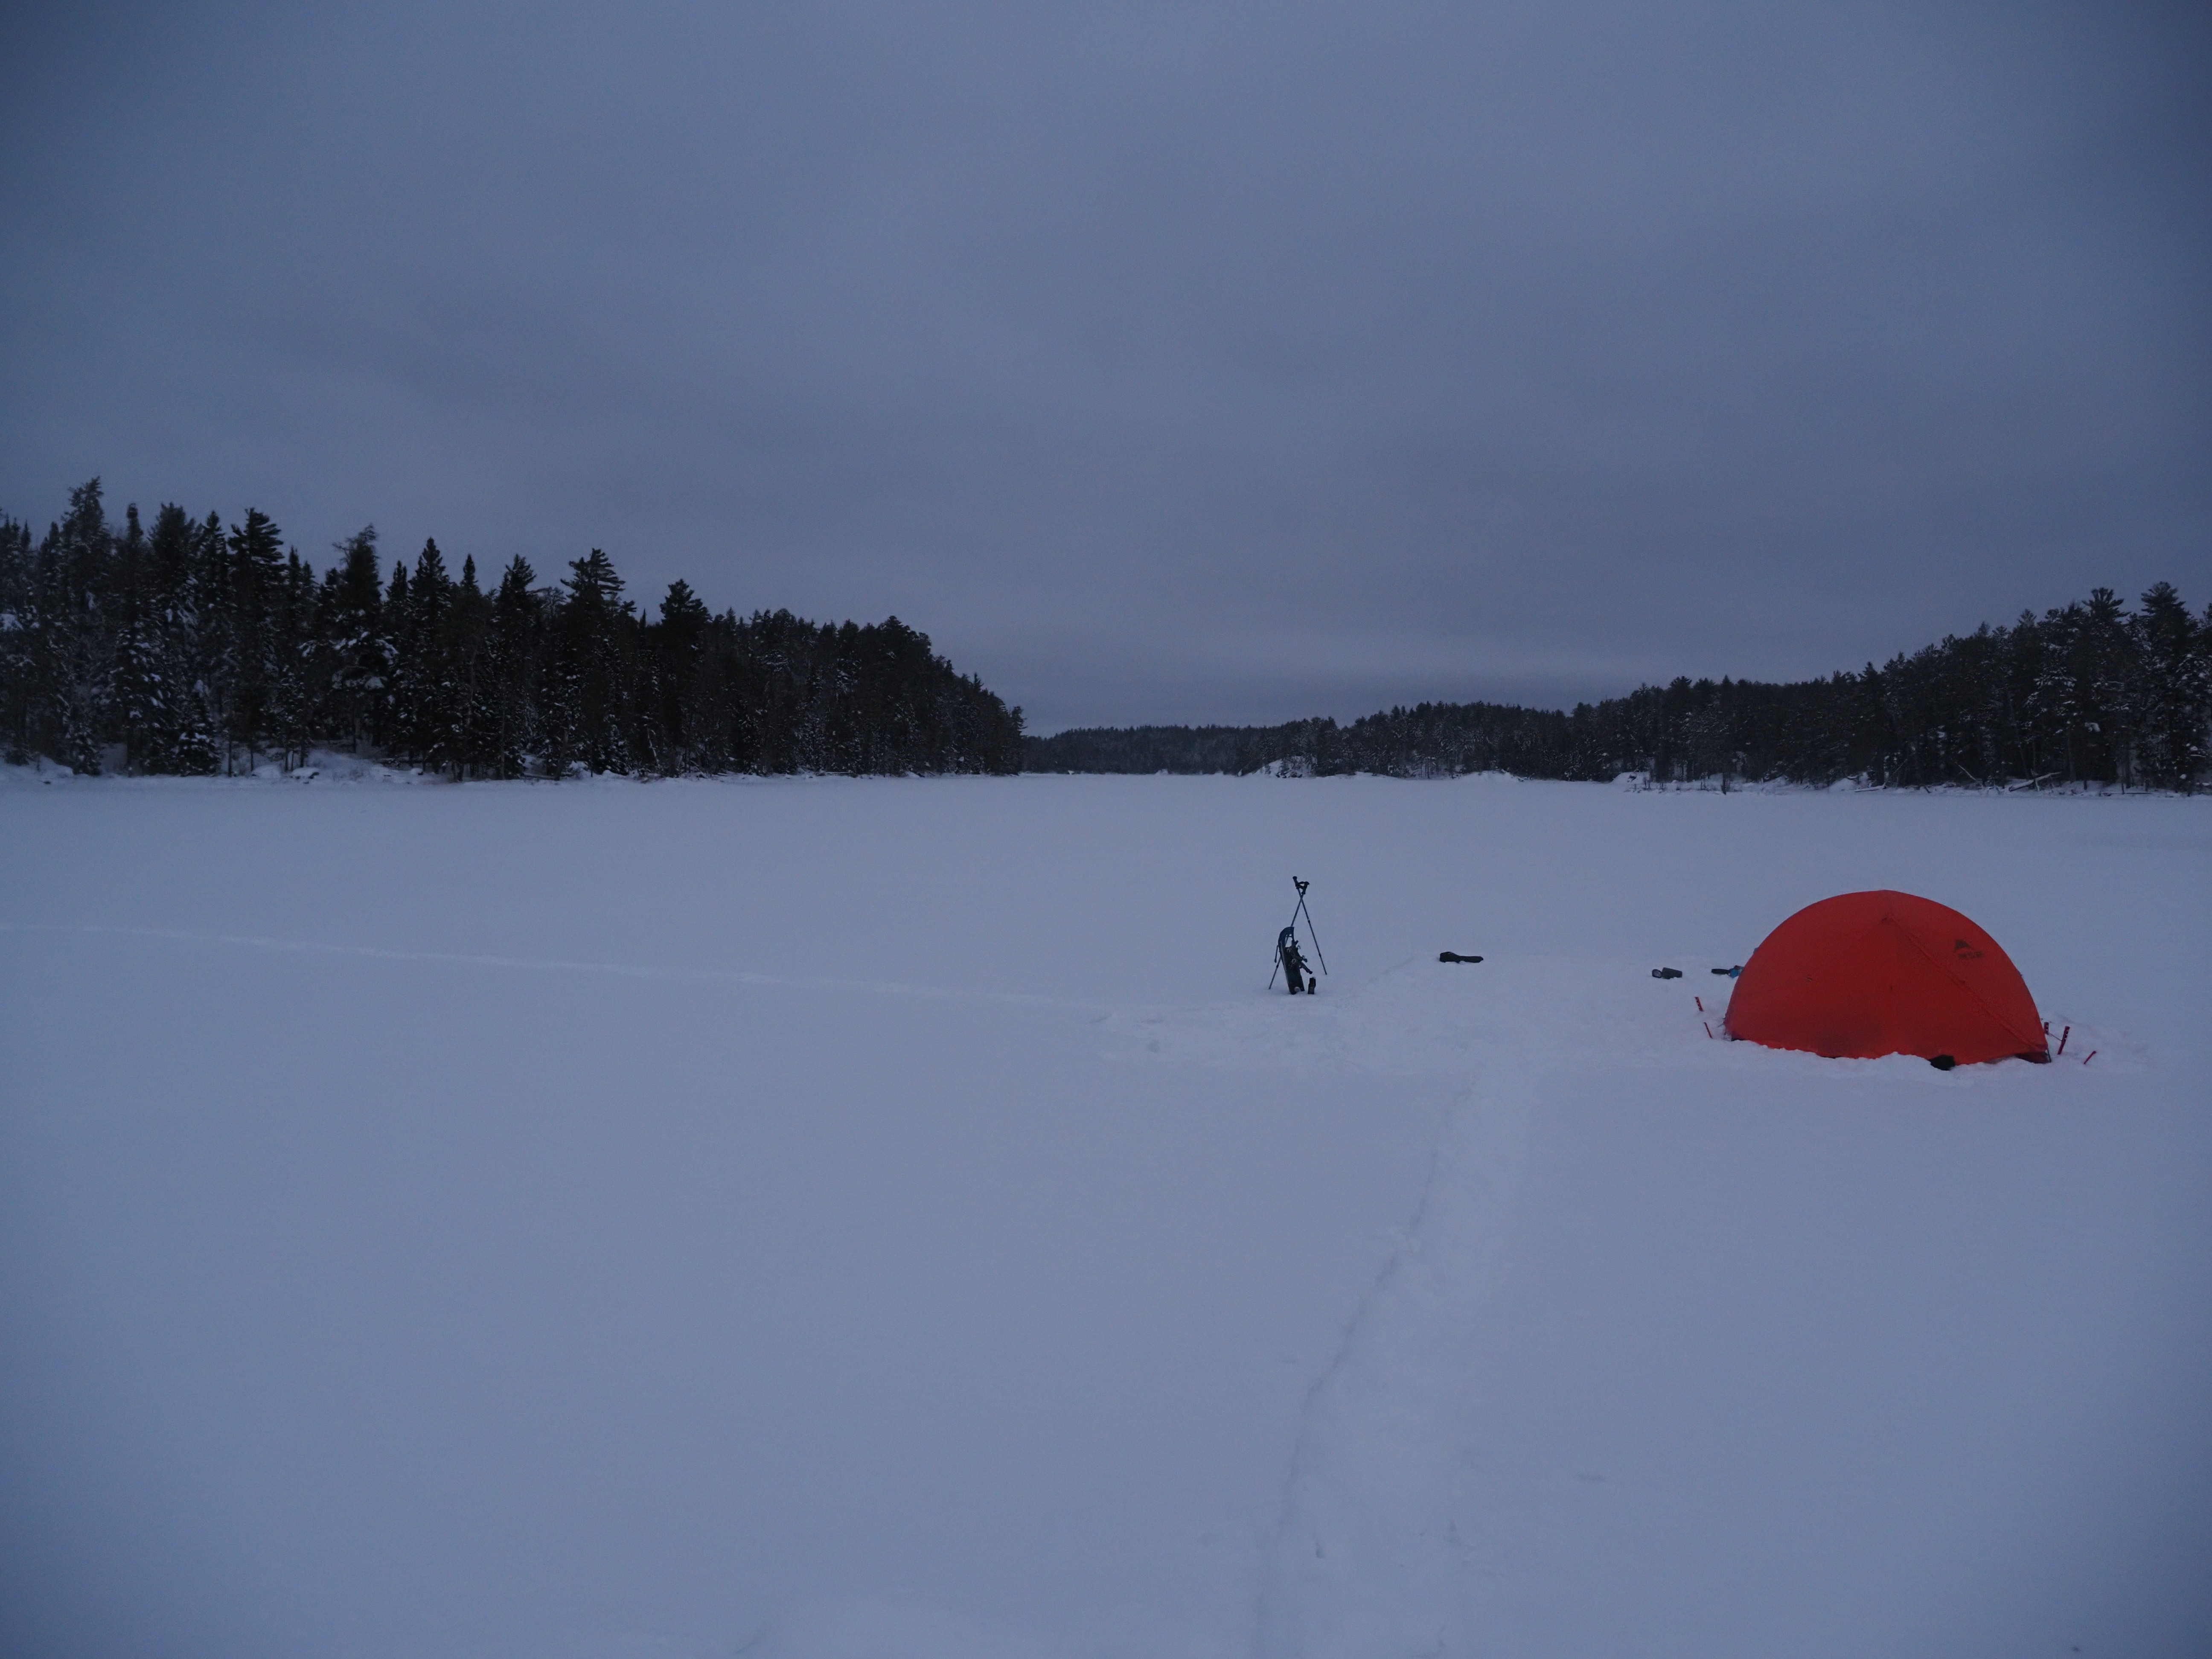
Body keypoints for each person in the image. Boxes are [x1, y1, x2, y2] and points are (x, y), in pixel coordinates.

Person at [1278, 926, 1313, 994]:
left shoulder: (1294, 952)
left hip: (1294, 965)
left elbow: (1297, 957)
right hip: (1290, 965)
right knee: (1295, 963)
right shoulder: (1289, 953)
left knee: (1296, 962)